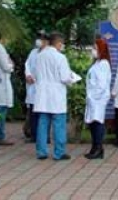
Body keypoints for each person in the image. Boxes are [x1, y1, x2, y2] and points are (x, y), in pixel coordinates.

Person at [33, 31, 80, 160]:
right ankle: (59, 152)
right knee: (59, 124)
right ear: (58, 43)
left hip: (42, 94)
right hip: (56, 95)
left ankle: (41, 151)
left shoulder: (39, 56)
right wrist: (72, 78)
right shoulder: (60, 57)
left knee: (43, 124)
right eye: (62, 44)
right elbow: (65, 77)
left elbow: (35, 75)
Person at [84, 38, 112, 159]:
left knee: (97, 122)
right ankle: (94, 147)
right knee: (92, 123)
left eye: (95, 48)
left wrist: (93, 97)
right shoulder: (97, 63)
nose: (93, 50)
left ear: (102, 49)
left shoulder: (104, 64)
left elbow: (102, 85)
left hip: (98, 99)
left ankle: (99, 148)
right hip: (93, 98)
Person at [23, 30, 47, 142]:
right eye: (38, 38)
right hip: (32, 86)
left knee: (43, 114)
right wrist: (28, 75)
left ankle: (43, 136)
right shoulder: (33, 52)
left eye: (41, 38)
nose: (39, 40)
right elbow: (27, 64)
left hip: (42, 87)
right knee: (33, 113)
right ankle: (34, 135)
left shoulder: (48, 53)